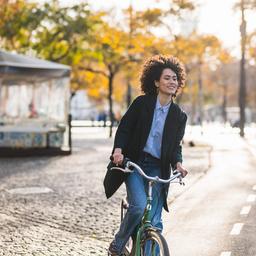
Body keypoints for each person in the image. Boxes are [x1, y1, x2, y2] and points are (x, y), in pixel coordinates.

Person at [104, 55, 188, 255]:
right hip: (135, 164)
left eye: (175, 78)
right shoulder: (142, 104)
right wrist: (118, 151)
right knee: (139, 206)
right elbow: (124, 128)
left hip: (159, 169)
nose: (171, 82)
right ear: (157, 82)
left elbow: (176, 145)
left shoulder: (179, 115)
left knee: (156, 223)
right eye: (167, 78)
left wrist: (178, 164)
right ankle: (117, 245)